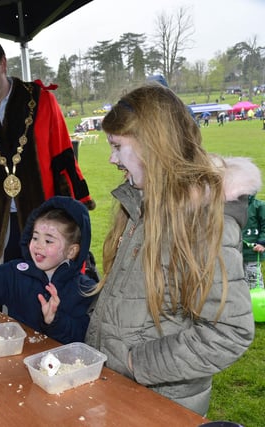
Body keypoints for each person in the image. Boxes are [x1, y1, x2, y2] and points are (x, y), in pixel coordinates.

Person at [85, 83, 256, 416]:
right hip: (120, 392)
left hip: (162, 405)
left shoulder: (201, 223)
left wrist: (136, 363)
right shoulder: (140, 203)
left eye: (118, 146)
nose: (111, 158)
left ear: (152, 146)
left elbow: (230, 331)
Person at [0, 34, 94, 266]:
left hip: (46, 225)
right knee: (1, 295)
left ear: (2, 64)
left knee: (49, 294)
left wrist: (72, 224)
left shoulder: (43, 102)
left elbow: (65, 163)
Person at [0, 196, 96, 344]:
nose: (38, 245)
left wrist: (54, 320)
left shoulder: (85, 291)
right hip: (19, 361)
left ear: (71, 251)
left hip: (62, 368)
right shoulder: (16, 274)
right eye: (35, 237)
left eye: (48, 240)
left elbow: (84, 337)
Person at [242, 192, 265, 288]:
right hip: (235, 253)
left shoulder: (259, 206)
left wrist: (262, 243)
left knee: (254, 284)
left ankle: (256, 302)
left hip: (252, 254)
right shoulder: (230, 207)